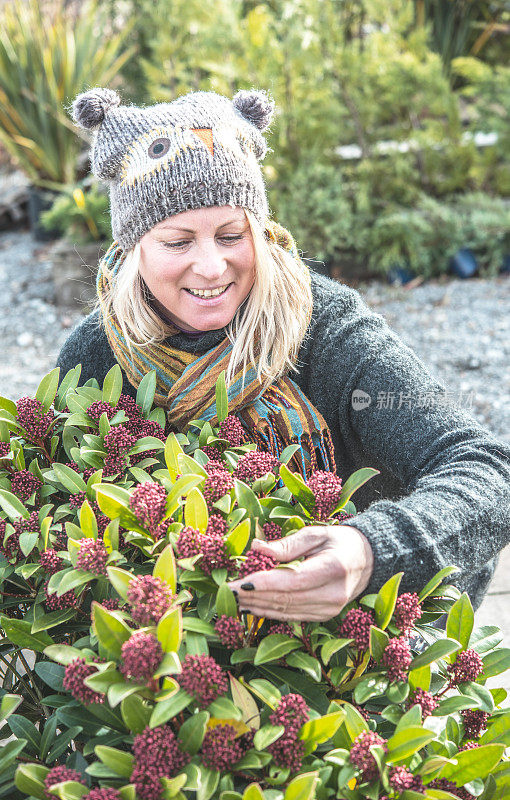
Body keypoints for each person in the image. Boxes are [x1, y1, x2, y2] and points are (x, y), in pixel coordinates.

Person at [57, 86, 510, 622]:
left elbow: (483, 469)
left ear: (263, 231)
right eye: (178, 242)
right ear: (133, 248)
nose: (210, 267)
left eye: (231, 235)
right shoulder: (96, 356)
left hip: (363, 637)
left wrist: (368, 552)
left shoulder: (327, 331)